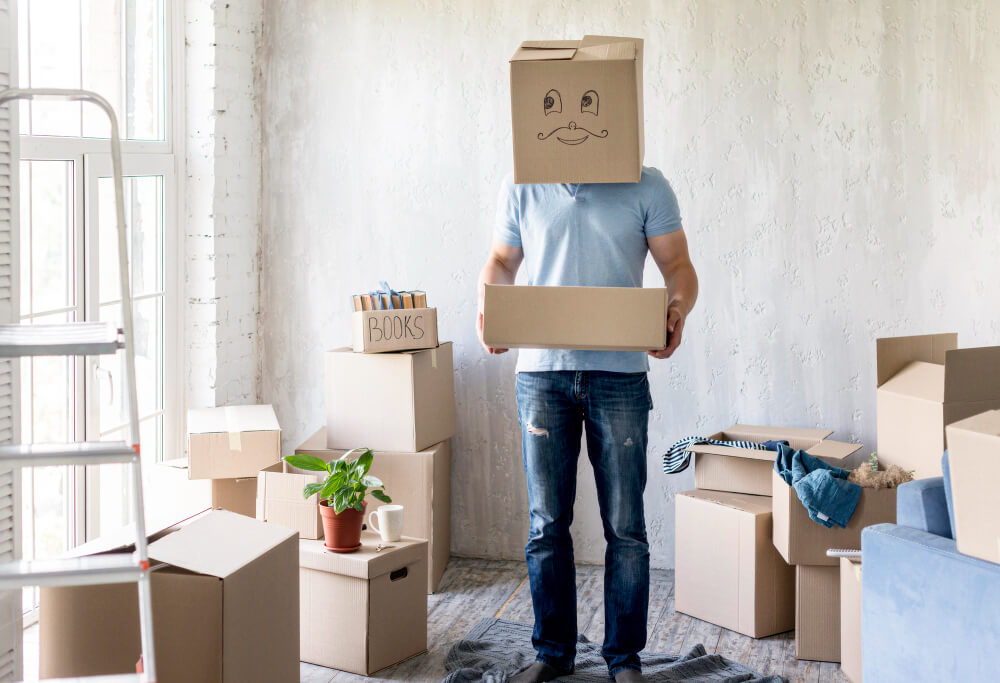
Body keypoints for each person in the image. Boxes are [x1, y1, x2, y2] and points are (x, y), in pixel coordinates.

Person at [476, 169, 698, 683]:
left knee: (626, 525)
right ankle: (552, 653)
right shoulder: (520, 184)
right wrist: (489, 304)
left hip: (618, 373)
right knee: (546, 522)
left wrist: (676, 309)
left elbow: (678, 266)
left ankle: (624, 660)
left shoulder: (647, 184)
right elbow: (502, 260)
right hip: (540, 374)